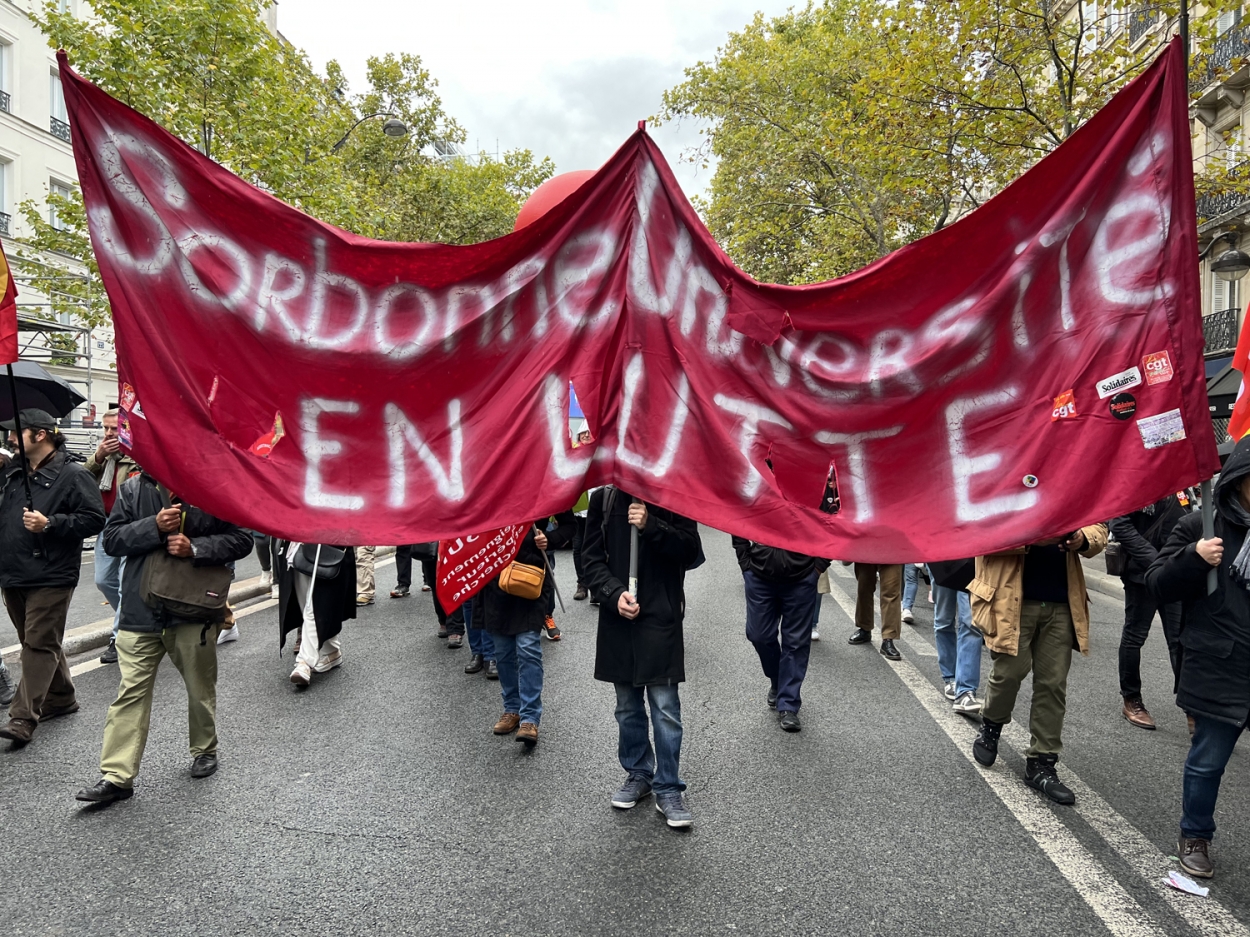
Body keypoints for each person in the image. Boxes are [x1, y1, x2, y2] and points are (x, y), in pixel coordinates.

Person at [74, 471, 252, 804]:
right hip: (139, 610)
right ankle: (117, 775)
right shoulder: (133, 488)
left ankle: (205, 749)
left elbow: (242, 538)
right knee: (130, 693)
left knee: (199, 686)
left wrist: (195, 547)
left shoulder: (213, 483)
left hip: (192, 608)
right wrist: (154, 527)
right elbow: (111, 539)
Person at [1147, 441, 1250, 879]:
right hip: (1220, 664)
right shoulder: (1200, 525)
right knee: (1207, 760)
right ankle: (1195, 836)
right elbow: (1158, 584)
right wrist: (1194, 558)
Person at [582, 487, 702, 829]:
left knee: (665, 709)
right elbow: (590, 559)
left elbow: (690, 551)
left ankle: (668, 786)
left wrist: (652, 525)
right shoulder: (603, 499)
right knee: (626, 706)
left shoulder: (674, 495)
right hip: (619, 619)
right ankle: (639, 772)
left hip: (660, 615)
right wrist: (612, 593)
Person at [969, 523, 1107, 805]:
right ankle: (991, 727)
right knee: (1009, 673)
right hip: (1011, 600)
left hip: (1061, 602)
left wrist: (1082, 539)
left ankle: (1042, 763)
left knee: (1053, 684)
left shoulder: (1073, 483)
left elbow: (1100, 524)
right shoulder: (1002, 480)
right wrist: (1034, 536)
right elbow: (982, 530)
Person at [0, 410, 106, 746]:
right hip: (14, 571)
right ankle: (60, 698)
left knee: (37, 643)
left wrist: (51, 524)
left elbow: (93, 519)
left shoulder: (73, 475)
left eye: (17, 432)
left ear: (41, 434)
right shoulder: (13, 473)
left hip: (51, 571)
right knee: (37, 640)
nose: (10, 439)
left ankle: (22, 717)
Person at [732, 536, 828, 732]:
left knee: (796, 642)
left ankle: (788, 704)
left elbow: (832, 521)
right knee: (759, 635)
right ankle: (778, 680)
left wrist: (819, 567)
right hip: (759, 573)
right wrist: (744, 561)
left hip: (802, 576)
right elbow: (738, 514)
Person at [1110, 494, 1189, 729]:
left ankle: (1192, 706)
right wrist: (1155, 560)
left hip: (1174, 575)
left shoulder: (1181, 483)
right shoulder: (1139, 480)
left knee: (1180, 641)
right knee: (1135, 637)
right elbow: (1119, 524)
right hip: (1142, 575)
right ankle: (1131, 699)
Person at [473, 524, 552, 746]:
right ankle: (512, 709)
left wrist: (550, 539)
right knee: (503, 653)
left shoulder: (541, 493)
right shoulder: (487, 496)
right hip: (495, 585)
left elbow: (569, 525)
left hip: (529, 581)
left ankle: (530, 717)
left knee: (528, 649)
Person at [84, 408, 140, 665]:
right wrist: (98, 456)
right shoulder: (103, 457)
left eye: (113, 429)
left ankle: (118, 638)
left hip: (132, 524)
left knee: (125, 579)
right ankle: (134, 621)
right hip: (106, 524)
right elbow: (81, 479)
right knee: (104, 580)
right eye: (105, 428)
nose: (108, 434)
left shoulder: (138, 455)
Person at [276, 542, 357, 687]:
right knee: (306, 603)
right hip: (297, 542)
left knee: (314, 605)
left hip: (328, 544)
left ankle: (304, 662)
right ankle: (330, 650)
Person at [848, 562, 904, 660]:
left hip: (892, 551)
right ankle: (864, 627)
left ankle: (888, 638)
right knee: (864, 588)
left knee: (891, 593)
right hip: (866, 549)